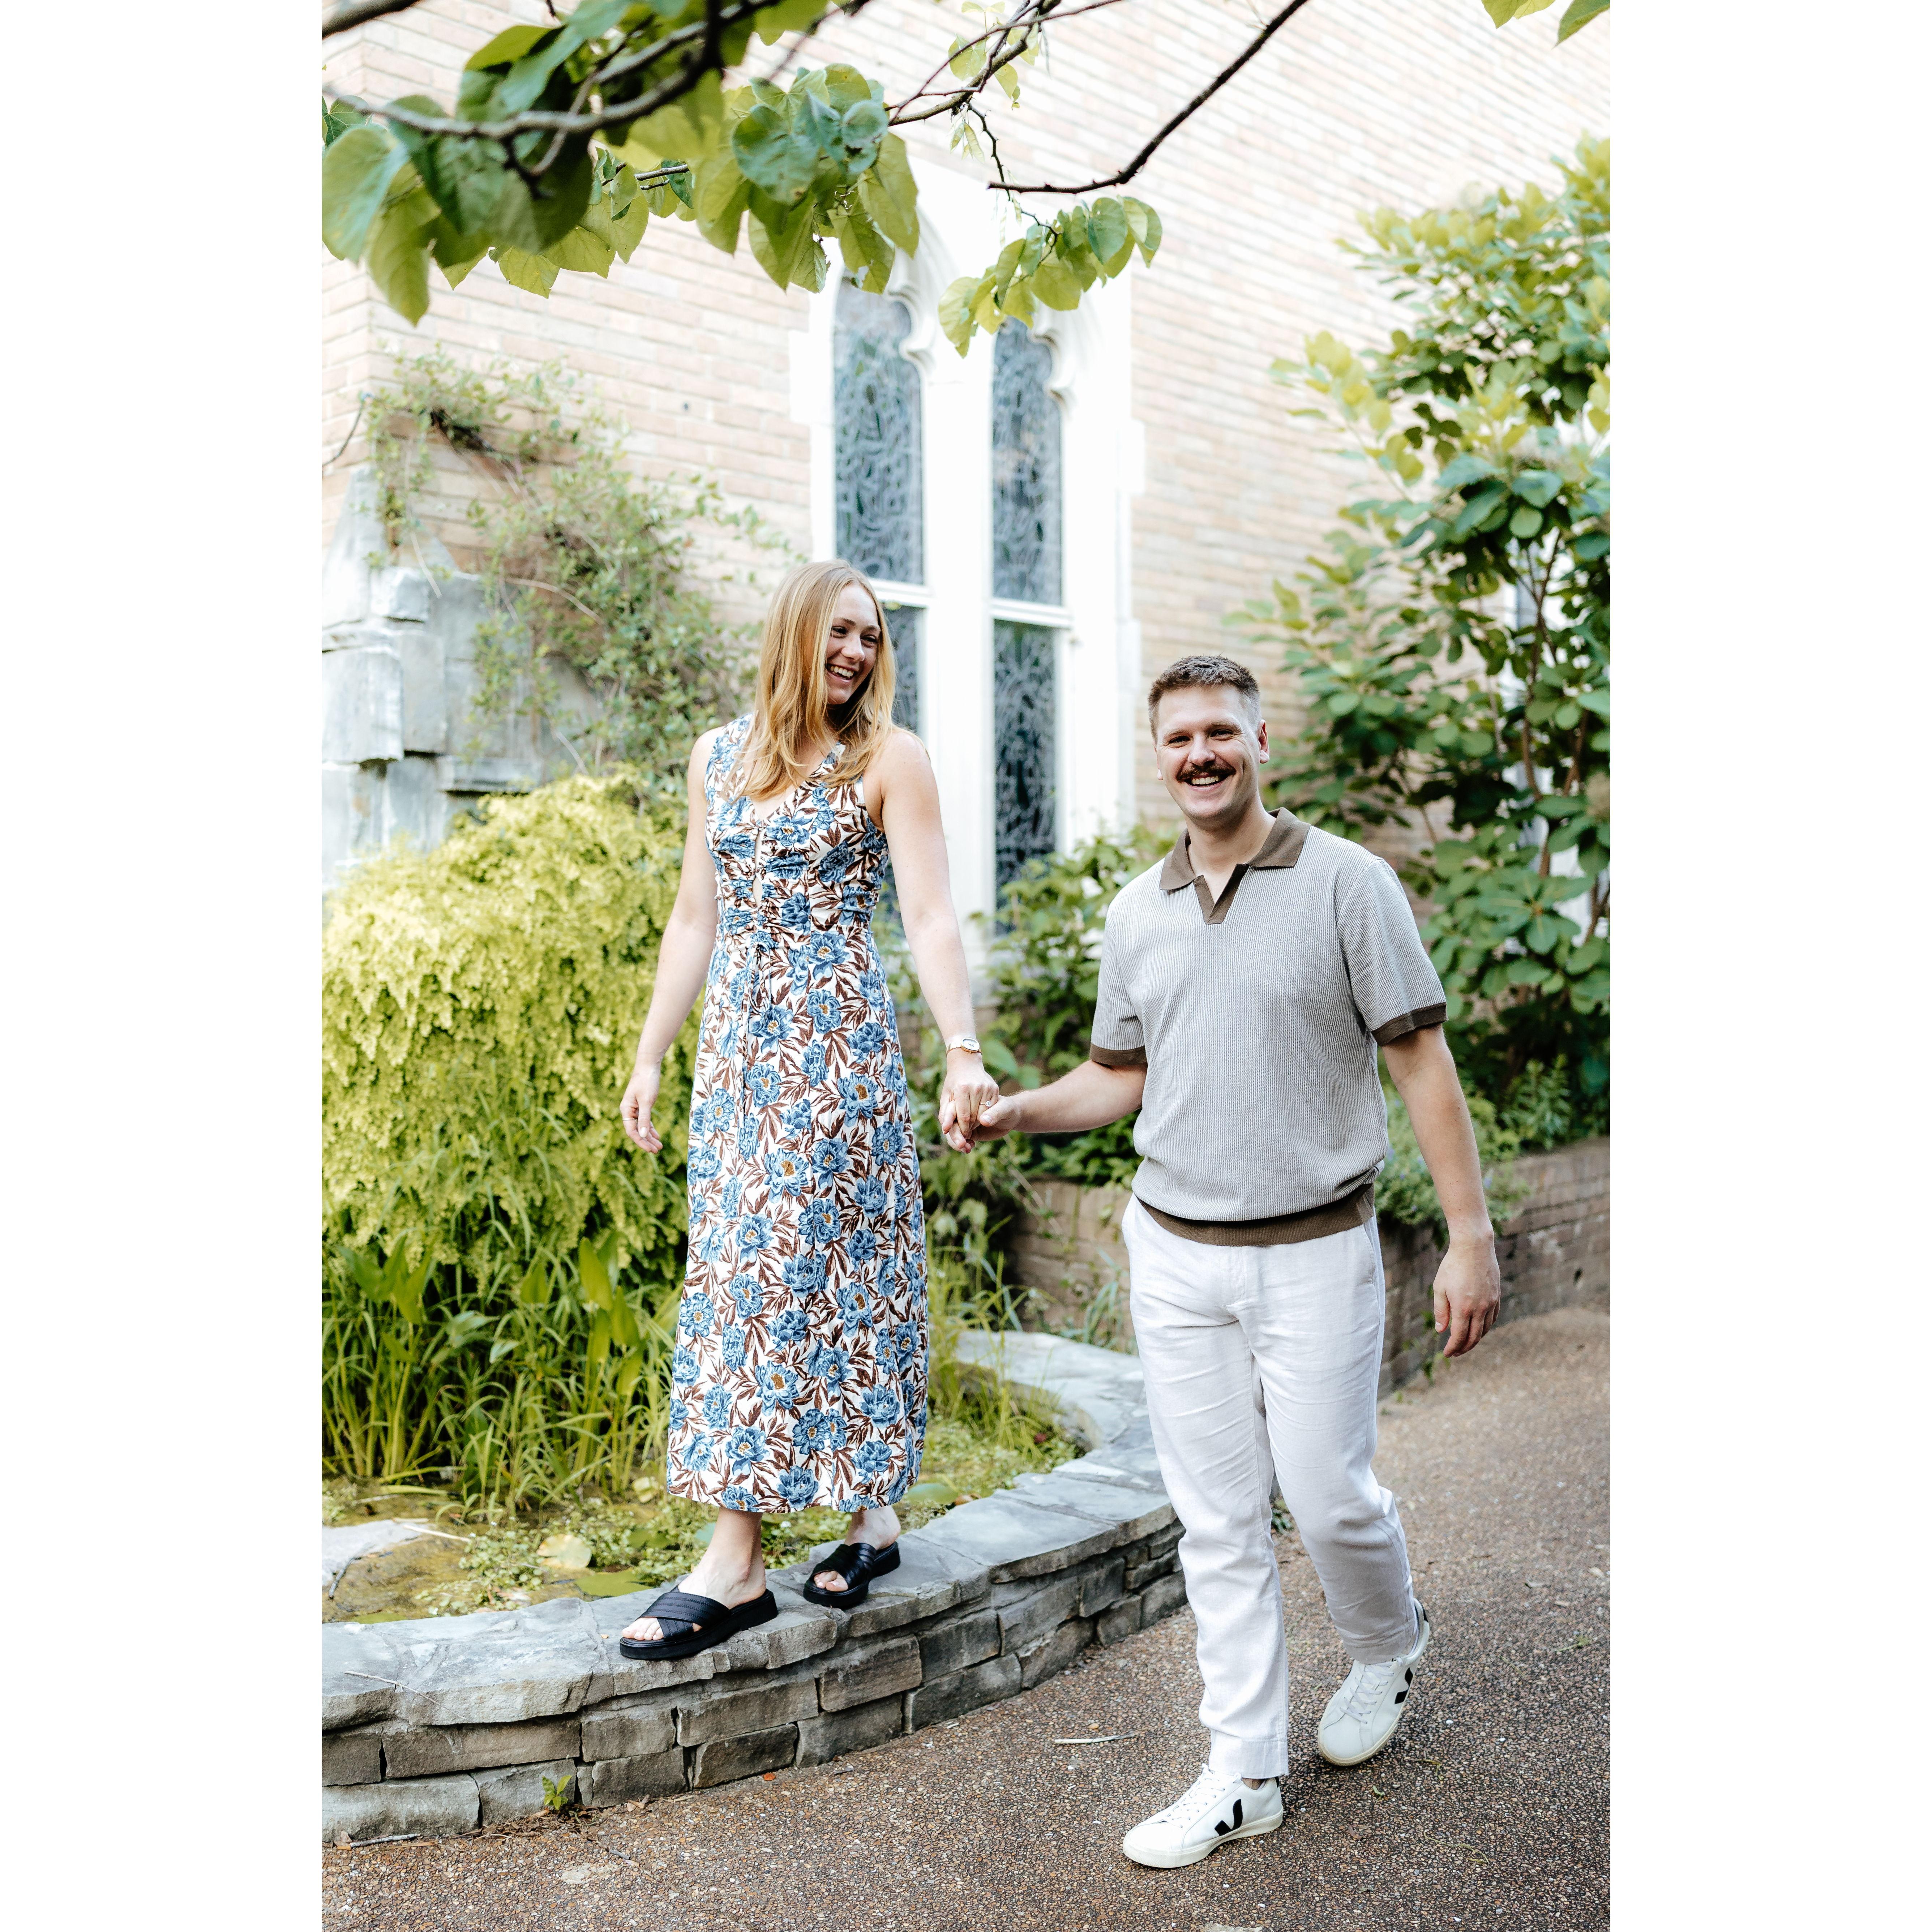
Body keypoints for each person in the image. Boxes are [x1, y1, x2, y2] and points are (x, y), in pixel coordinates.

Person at [967, 653, 1502, 1869]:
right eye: (1178, 738)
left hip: (1313, 1250)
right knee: (1214, 1523)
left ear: (1261, 742)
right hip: (1173, 1252)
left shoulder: (1347, 883)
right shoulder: (1135, 911)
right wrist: (1016, 1112)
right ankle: (1243, 1773)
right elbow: (1118, 1076)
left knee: (1327, 1495)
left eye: (1220, 731)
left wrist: (1467, 1237)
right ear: (1158, 756)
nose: (1199, 754)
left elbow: (1419, 1061)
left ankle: (1387, 1641)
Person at [615, 559, 999, 1658]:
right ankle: (871, 1518)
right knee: (769, 1271)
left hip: (834, 1058)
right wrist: (650, 1055)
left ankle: (735, 1562)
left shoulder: (888, 758)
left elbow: (929, 916)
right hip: (737, 1061)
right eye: (839, 631)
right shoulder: (716, 757)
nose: (856, 652)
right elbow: (695, 916)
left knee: (793, 1275)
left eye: (871, 637)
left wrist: (962, 1053)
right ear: (793, 632)